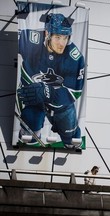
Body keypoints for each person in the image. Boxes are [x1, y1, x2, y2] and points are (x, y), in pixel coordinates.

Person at [17, 13, 85, 149]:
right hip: (33, 97)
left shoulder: (74, 58)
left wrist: (49, 93)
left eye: (65, 37)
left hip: (61, 105)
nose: (62, 43)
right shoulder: (31, 41)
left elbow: (75, 92)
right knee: (30, 126)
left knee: (73, 140)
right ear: (47, 33)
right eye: (58, 37)